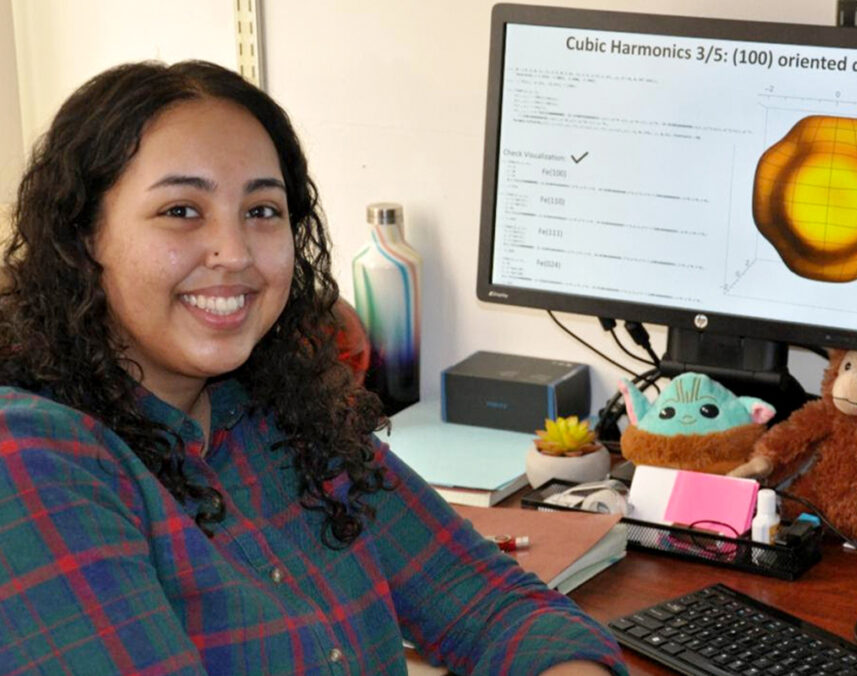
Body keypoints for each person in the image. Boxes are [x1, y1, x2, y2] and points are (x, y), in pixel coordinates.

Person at [0, 61, 625, 675]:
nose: (236, 251)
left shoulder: (282, 415)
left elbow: (494, 606)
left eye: (263, 210)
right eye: (181, 210)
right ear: (83, 238)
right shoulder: (32, 460)